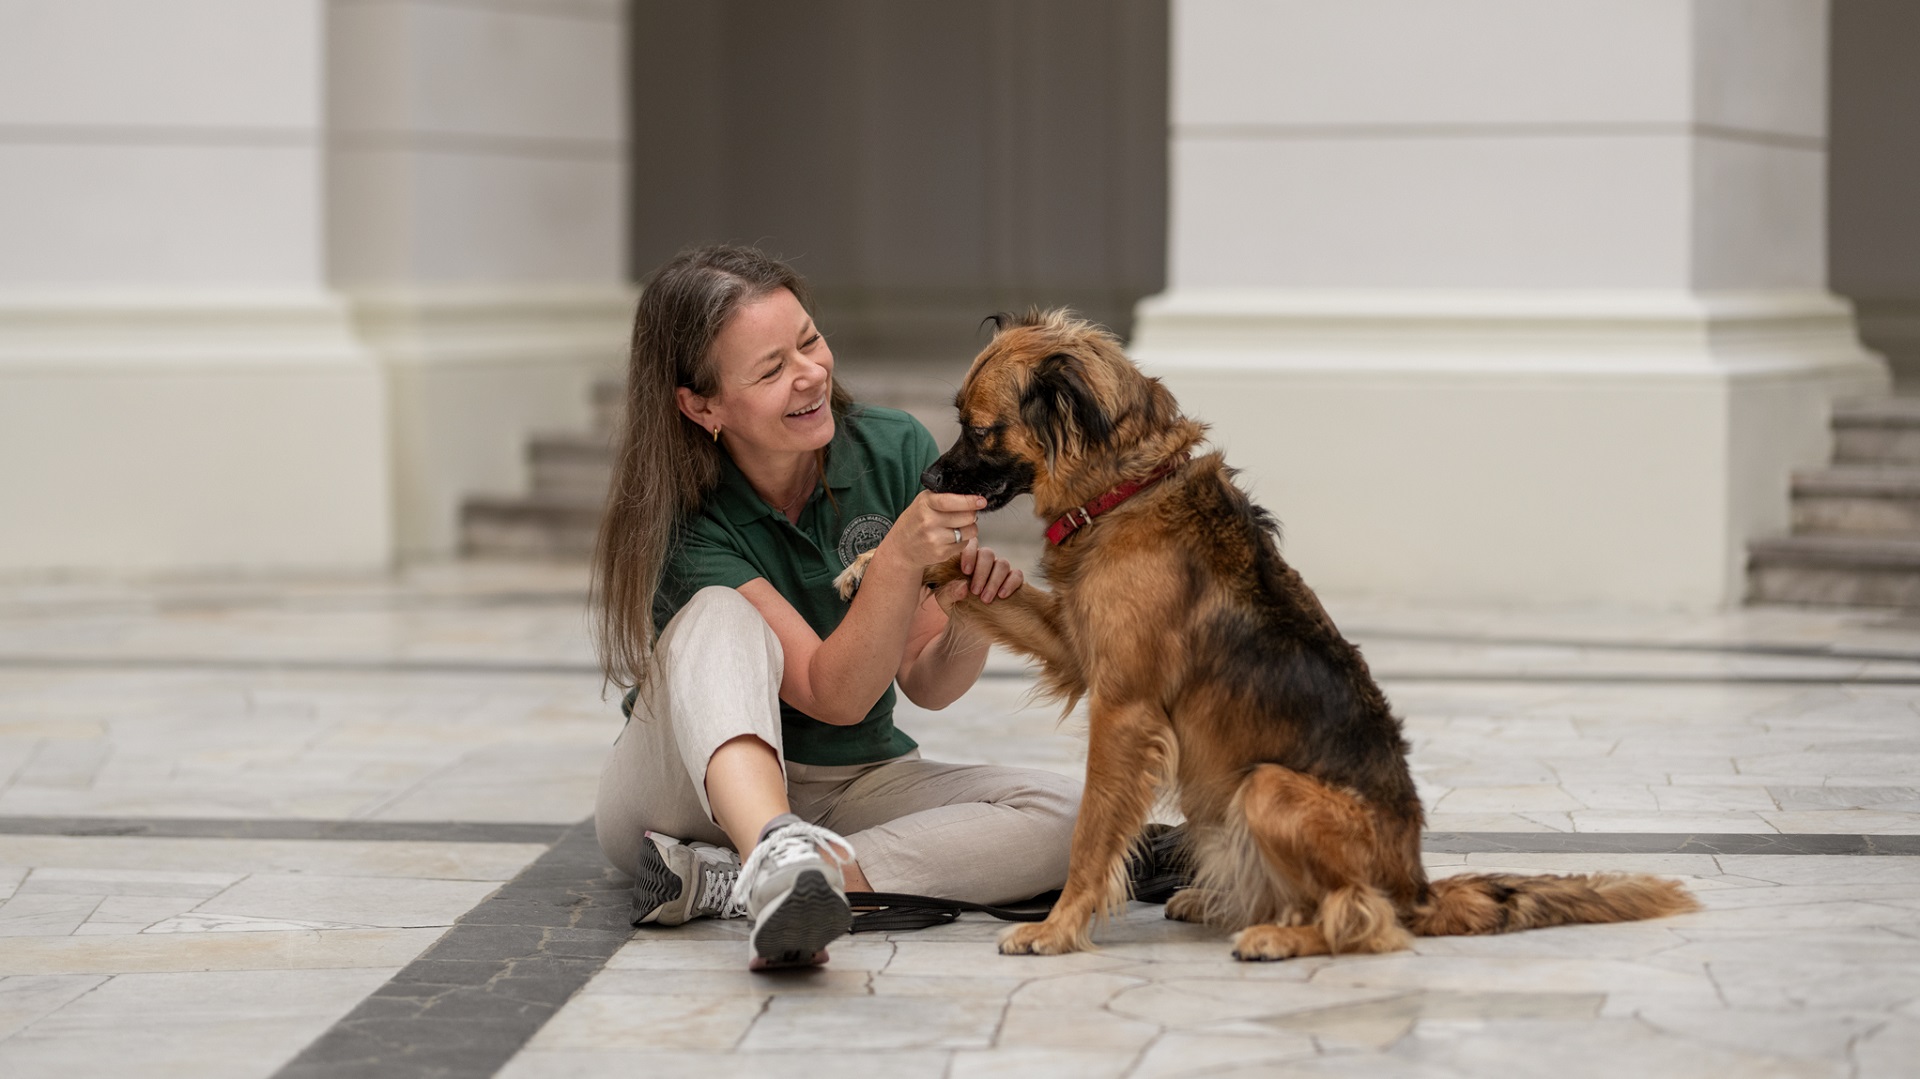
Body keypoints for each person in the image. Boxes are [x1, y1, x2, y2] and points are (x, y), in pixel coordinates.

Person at [591, 244, 1079, 970]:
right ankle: (772, 846)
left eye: (810, 340)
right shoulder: (683, 521)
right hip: (683, 788)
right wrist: (900, 560)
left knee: (1077, 817)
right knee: (722, 614)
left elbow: (926, 680)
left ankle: (746, 882)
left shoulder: (891, 449)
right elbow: (834, 694)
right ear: (701, 405)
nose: (811, 373)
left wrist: (967, 615)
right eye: (770, 369)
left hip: (849, 782)